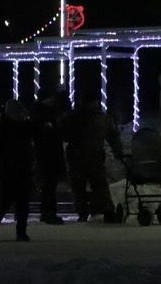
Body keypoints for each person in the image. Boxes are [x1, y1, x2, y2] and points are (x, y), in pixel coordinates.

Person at [62, 91, 124, 222]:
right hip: (84, 156)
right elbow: (113, 136)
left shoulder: (76, 117)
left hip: (85, 156)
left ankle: (94, 211)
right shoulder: (100, 118)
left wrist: (118, 150)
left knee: (90, 186)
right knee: (92, 186)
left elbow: (113, 136)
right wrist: (118, 151)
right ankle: (98, 210)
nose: (94, 105)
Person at [0, 99, 34, 241]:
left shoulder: (1, 128)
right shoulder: (23, 127)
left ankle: (0, 228)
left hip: (11, 167)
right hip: (16, 167)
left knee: (12, 201)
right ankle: (17, 231)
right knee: (14, 200)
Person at [31, 89, 68, 224]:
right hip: (48, 154)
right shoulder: (44, 114)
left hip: (48, 154)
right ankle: (48, 212)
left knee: (49, 185)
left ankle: (48, 211)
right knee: (49, 185)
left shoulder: (42, 113)